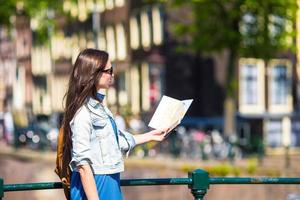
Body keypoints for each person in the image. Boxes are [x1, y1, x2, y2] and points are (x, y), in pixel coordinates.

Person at [62, 48, 169, 200]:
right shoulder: (83, 113)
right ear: (94, 73)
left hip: (109, 180)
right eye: (109, 70)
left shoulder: (100, 107)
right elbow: (83, 165)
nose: (112, 74)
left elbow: (114, 142)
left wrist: (151, 136)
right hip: (97, 183)